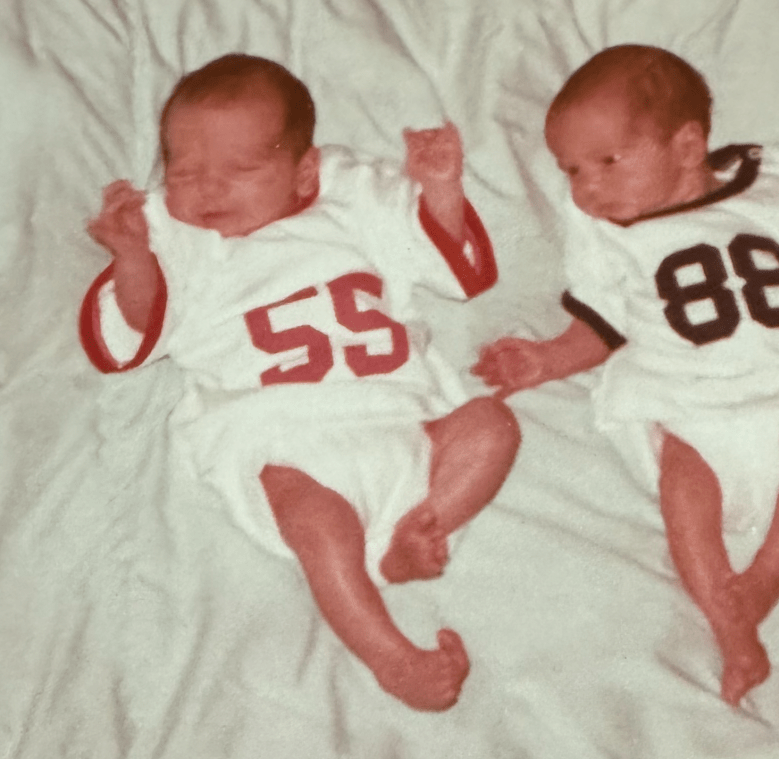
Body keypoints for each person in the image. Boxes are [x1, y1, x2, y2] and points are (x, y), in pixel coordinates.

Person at [79, 53, 520, 712]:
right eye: (185, 171)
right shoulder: (178, 238)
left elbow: (448, 265)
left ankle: (416, 529)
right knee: (316, 523)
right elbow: (135, 334)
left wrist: (440, 190)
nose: (208, 190)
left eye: (241, 170)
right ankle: (390, 655)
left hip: (399, 416)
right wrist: (133, 255)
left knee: (493, 425)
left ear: (305, 171)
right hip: (283, 435)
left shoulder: (351, 197)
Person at [472, 44, 779, 705]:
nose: (587, 187)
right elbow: (603, 322)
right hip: (689, 401)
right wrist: (545, 359)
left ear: (686, 146)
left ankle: (770, 573)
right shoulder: (613, 236)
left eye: (608, 161)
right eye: (571, 170)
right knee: (683, 477)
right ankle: (728, 623)